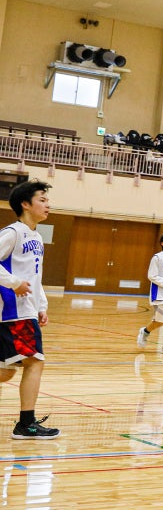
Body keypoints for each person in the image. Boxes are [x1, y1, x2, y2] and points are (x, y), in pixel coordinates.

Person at [0, 180, 59, 439]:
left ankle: (26, 423)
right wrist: (13, 283)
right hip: (13, 311)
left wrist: (41, 305)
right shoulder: (13, 232)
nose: (48, 204)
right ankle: (26, 423)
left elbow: (34, 276)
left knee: (6, 370)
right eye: (42, 200)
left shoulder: (36, 236)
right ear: (25, 204)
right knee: (35, 361)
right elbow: (18, 278)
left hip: (25, 310)